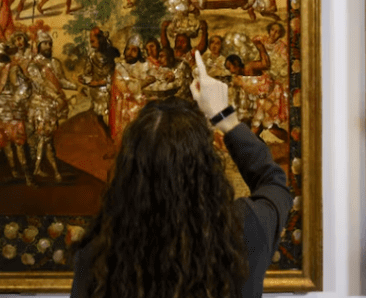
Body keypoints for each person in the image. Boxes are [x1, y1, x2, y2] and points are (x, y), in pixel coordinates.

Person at [71, 51, 292, 298]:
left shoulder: (98, 256)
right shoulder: (245, 230)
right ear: (207, 166)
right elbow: (273, 182)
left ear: (129, 171)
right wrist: (224, 116)